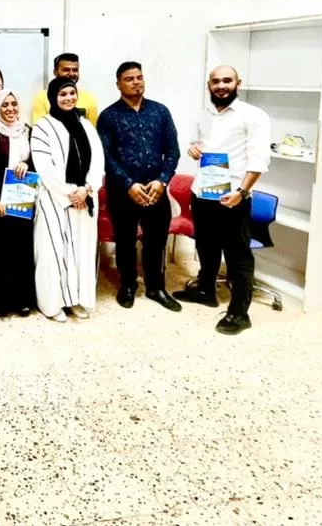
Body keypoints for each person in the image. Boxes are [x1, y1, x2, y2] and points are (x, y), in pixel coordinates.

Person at [175, 65, 270, 335]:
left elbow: (259, 160)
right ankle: (206, 291)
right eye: (215, 81)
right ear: (209, 85)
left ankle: (240, 313)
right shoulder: (204, 114)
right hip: (204, 191)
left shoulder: (254, 116)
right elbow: (197, 144)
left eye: (227, 80)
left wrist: (242, 192)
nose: (221, 86)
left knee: (238, 255)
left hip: (233, 196)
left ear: (238, 82)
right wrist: (193, 149)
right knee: (206, 247)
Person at [97, 62, 182, 312]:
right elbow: (105, 157)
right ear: (118, 84)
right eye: (129, 79)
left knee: (156, 241)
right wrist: (129, 185)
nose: (136, 82)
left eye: (139, 77)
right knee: (125, 241)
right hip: (123, 192)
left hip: (156, 190)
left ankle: (156, 287)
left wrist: (162, 181)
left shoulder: (160, 112)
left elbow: (173, 151)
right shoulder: (109, 116)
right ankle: (128, 285)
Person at [31, 77, 105, 322]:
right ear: (53, 97)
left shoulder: (86, 126)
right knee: (54, 252)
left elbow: (98, 161)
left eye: (72, 93)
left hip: (85, 200)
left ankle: (76, 300)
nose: (69, 98)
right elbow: (44, 167)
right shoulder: (42, 127)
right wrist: (71, 193)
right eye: (63, 94)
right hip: (55, 200)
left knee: (81, 252)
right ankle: (52, 305)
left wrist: (87, 188)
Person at [0, 89, 36, 317]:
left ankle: (22, 300)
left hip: (21, 200)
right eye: (4, 105)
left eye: (13, 104)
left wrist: (27, 164)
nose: (10, 109)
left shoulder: (27, 131)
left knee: (21, 248)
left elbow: (38, 161)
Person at [31, 53, 99, 125]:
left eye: (75, 70)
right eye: (66, 70)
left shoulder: (89, 99)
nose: (71, 73)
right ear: (55, 72)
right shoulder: (42, 98)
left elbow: (92, 129)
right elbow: (39, 128)